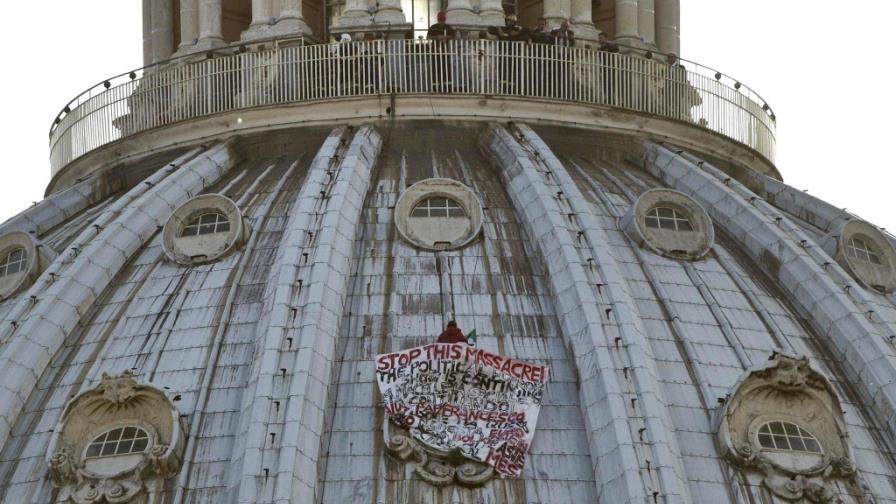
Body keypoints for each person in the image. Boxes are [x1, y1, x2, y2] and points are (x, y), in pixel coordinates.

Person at [427, 11, 456, 92]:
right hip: (435, 53)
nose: (442, 22)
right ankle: (436, 89)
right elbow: (428, 37)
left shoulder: (448, 27)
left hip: (445, 52)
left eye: (443, 20)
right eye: (440, 20)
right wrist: (437, 37)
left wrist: (446, 38)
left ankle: (447, 88)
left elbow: (454, 36)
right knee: (435, 70)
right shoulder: (433, 27)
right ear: (438, 20)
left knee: (446, 70)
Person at [598, 32, 620, 104]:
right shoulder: (601, 48)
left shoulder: (609, 46)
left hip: (611, 67)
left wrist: (609, 43)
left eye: (601, 38)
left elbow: (616, 49)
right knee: (605, 83)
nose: (600, 40)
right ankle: (607, 98)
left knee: (611, 83)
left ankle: (613, 98)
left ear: (605, 38)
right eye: (599, 38)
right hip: (604, 68)